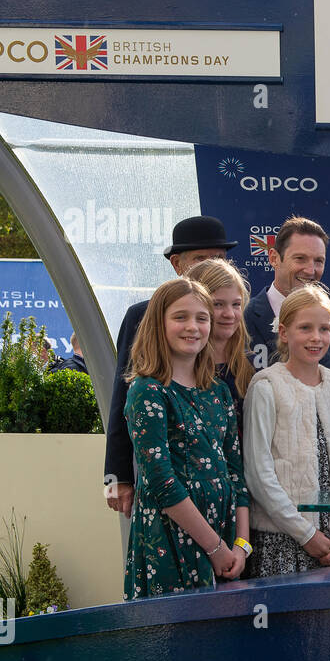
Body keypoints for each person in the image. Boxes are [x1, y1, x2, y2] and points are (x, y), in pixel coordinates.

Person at [123, 278, 249, 599]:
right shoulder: (148, 391)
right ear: (158, 324)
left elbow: (237, 475)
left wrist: (240, 546)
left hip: (225, 544)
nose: (192, 327)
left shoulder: (219, 391)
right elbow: (162, 482)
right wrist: (216, 547)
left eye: (201, 318)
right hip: (170, 543)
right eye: (180, 317)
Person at [105, 215, 237, 517]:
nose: (211, 265)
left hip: (226, 472)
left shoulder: (234, 316)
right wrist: (117, 477)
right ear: (177, 264)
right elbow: (122, 396)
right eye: (200, 258)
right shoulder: (143, 315)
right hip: (167, 478)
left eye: (218, 258)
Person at [243, 283, 330, 577]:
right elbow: (258, 473)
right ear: (284, 332)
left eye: (324, 328)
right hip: (283, 542)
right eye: (305, 328)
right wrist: (305, 534)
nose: (316, 338)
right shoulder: (267, 387)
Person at [245, 215, 330, 369]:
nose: (310, 270)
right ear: (274, 258)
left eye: (318, 261)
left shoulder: (328, 315)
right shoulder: (244, 317)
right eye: (300, 258)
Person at [186, 258, 255, 427]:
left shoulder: (249, 365)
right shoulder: (181, 368)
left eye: (236, 304)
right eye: (218, 304)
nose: (229, 314)